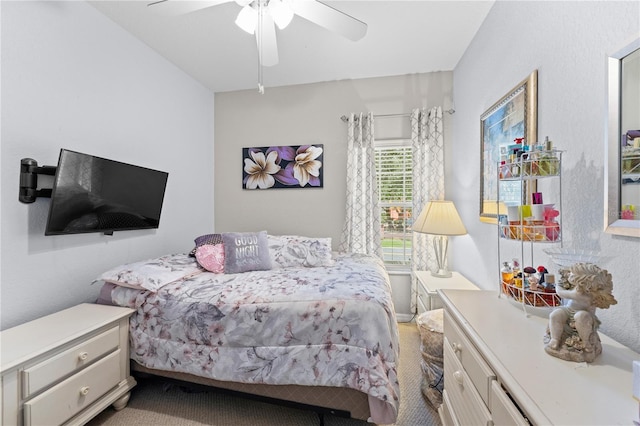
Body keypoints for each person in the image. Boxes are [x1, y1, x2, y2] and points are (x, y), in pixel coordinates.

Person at [544, 263, 617, 362]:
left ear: (581, 280)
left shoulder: (582, 294)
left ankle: (586, 342)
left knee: (581, 316)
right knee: (555, 315)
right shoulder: (580, 290)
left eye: (572, 274)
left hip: (586, 316)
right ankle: (555, 339)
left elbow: (561, 293)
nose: (569, 275)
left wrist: (558, 286)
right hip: (569, 310)